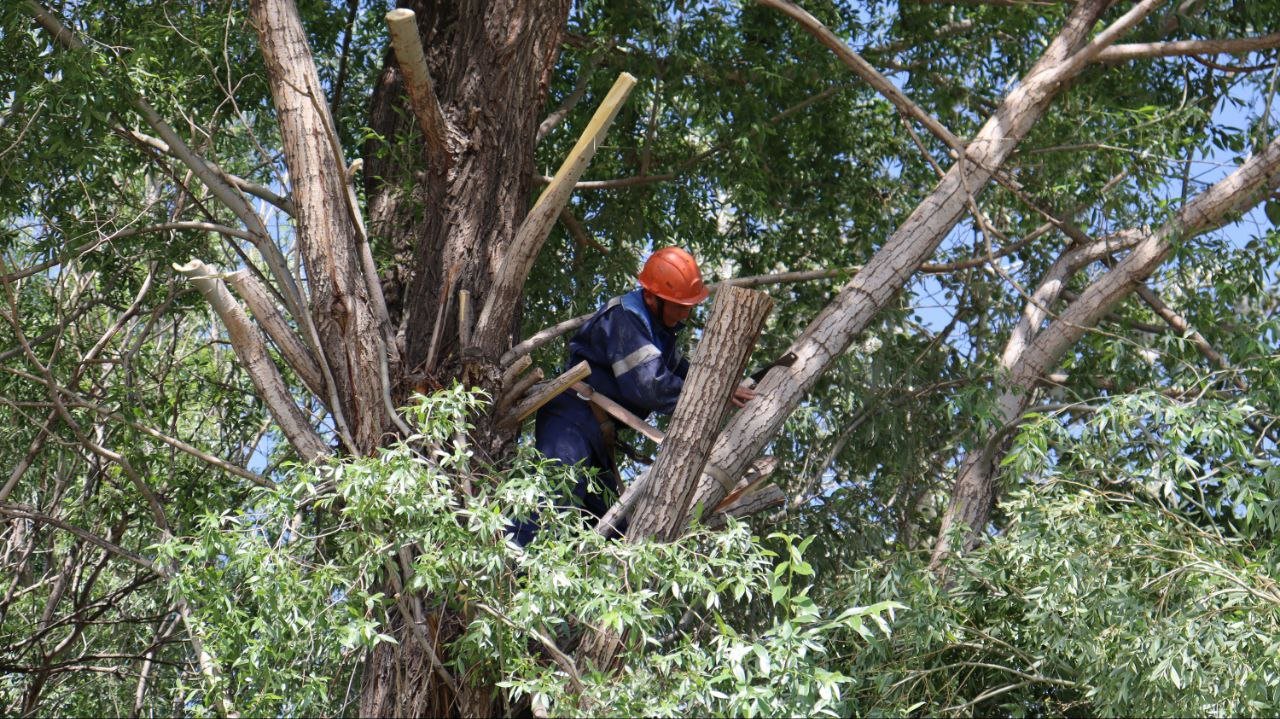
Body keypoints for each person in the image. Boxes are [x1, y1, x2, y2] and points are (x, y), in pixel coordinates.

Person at [510, 247, 755, 545]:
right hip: (571, 422)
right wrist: (715, 396)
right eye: (680, 305)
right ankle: (511, 570)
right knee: (551, 499)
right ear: (652, 297)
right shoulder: (626, 318)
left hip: (597, 435)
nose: (686, 312)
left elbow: (682, 374)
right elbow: (649, 386)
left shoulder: (661, 327)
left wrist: (724, 389)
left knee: (615, 534)